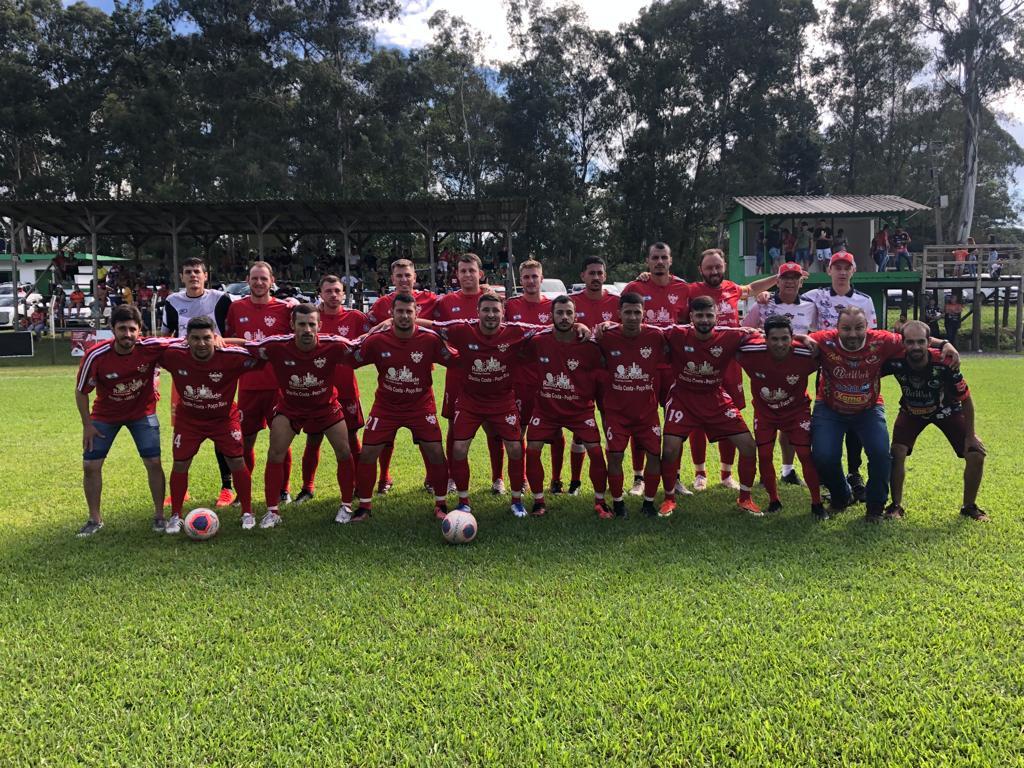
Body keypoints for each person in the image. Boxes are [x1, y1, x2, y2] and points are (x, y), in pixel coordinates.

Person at [808, 306, 958, 521]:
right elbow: (793, 340)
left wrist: (944, 344)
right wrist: (805, 341)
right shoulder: (824, 339)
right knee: (823, 456)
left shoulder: (882, 340)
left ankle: (875, 505)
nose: (852, 334)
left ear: (867, 328)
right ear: (837, 328)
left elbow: (914, 337)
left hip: (868, 409)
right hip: (830, 408)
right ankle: (841, 495)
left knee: (880, 455)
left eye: (858, 328)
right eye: (846, 328)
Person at [244, 303, 356, 527]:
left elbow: (363, 347)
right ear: (292, 325)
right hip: (290, 407)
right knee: (275, 453)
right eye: (302, 324)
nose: (307, 329)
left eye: (311, 324)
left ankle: (346, 505)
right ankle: (272, 511)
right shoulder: (276, 346)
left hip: (325, 406)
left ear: (319, 326)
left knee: (344, 451)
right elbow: (246, 347)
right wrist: (217, 340)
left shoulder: (335, 345)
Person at [350, 294, 456, 522]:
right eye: (400, 311)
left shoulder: (430, 339)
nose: (405, 316)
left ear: (417, 313)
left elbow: (455, 360)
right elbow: (352, 356)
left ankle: (441, 504)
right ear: (391, 313)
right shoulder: (377, 340)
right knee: (368, 452)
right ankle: (365, 507)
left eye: (409, 312)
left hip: (420, 406)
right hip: (386, 407)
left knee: (435, 452)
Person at [682, 248, 777, 493]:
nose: (714, 271)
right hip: (701, 362)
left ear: (723, 266)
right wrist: (646, 276)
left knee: (730, 416)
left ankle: (726, 474)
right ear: (700, 270)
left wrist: (777, 278)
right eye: (709, 267)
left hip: (730, 364)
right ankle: (700, 473)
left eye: (717, 266)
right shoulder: (691, 291)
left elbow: (752, 288)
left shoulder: (732, 288)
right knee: (697, 420)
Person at [658, 295, 761, 517]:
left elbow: (759, 337)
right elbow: (644, 329)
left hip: (715, 398)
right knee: (668, 450)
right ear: (692, 317)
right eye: (700, 315)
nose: (704, 320)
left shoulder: (731, 336)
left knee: (748, 447)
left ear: (716, 316)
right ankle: (668, 499)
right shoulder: (677, 333)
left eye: (709, 315)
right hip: (683, 398)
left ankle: (745, 498)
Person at [432, 293, 534, 517]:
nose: (491, 314)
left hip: (503, 401)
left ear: (503, 313)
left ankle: (516, 501)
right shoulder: (463, 330)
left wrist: (580, 327)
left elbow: (546, 329)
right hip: (470, 401)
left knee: (516, 448)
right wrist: (392, 321)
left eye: (495, 310)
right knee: (459, 449)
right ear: (477, 312)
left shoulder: (515, 331)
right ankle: (463, 501)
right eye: (486, 310)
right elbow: (434, 326)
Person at [157, 316, 261, 534]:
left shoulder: (233, 357)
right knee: (180, 464)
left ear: (215, 338)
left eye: (207, 338)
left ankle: (248, 512)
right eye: (195, 338)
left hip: (223, 419)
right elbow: (152, 348)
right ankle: (175, 515)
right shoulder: (174, 355)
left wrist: (230, 340)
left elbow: (260, 349)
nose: (201, 343)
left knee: (236, 460)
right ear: (187, 339)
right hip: (189, 420)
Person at [74, 305, 167, 536]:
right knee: (90, 466)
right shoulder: (95, 355)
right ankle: (94, 520)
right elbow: (81, 391)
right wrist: (87, 425)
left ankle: (159, 516)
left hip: (142, 413)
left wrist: (218, 339)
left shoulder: (151, 348)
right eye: (122, 328)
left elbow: (187, 344)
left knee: (154, 462)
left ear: (140, 330)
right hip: (105, 415)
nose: (127, 334)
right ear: (112, 329)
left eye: (132, 329)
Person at [883, 320, 987, 521]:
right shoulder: (894, 360)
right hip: (911, 412)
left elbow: (966, 399)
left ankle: (969, 506)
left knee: (975, 453)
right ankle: (895, 505)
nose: (916, 347)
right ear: (902, 342)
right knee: (896, 452)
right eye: (910, 342)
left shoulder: (945, 362)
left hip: (947, 411)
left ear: (928, 342)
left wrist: (971, 435)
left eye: (921, 342)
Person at [524, 296, 608, 518]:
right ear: (551, 315)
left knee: (597, 453)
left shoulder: (588, 344)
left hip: (580, 410)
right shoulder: (538, 340)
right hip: (546, 410)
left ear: (575, 315)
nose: (564, 317)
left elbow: (604, 366)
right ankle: (538, 501)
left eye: (568, 313)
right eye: (559, 312)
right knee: (532, 450)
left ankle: (600, 502)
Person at [162, 257, 237, 508]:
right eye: (188, 271)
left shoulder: (221, 300)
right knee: (183, 432)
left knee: (221, 432)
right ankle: (181, 490)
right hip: (184, 376)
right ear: (181, 277)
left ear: (206, 276)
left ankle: (227, 487)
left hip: (218, 376)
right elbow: (166, 338)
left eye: (197, 271)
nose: (193, 275)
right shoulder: (172, 302)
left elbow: (231, 336)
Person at [431, 253, 505, 493]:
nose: (467, 275)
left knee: (494, 428)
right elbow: (433, 332)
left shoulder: (494, 299)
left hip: (490, 373)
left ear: (480, 274)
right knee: (455, 426)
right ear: (456, 275)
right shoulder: (445, 303)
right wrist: (448, 353)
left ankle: (498, 478)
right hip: (458, 375)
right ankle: (452, 476)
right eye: (462, 271)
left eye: (471, 271)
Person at [296, 275, 370, 513]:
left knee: (350, 438)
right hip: (317, 390)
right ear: (320, 293)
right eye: (328, 291)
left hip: (347, 388)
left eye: (337, 291)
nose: (333, 295)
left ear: (344, 293)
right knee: (313, 438)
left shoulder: (356, 318)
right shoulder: (312, 319)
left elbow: (375, 332)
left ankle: (358, 484)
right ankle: (307, 486)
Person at [736, 316, 824, 517]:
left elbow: (830, 351)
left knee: (804, 455)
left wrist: (805, 338)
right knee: (765, 455)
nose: (780, 344)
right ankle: (774, 500)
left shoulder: (805, 354)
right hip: (765, 412)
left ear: (792, 338)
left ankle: (817, 504)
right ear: (765, 339)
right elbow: (727, 340)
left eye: (785, 338)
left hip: (796, 412)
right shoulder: (750, 352)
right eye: (774, 339)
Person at [366, 258, 440, 492]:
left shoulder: (431, 300)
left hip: (420, 375)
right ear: (392, 278)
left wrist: (485, 288)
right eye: (399, 276)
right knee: (386, 435)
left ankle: (431, 479)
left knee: (425, 435)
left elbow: (445, 321)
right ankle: (384, 478)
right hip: (390, 376)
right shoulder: (380, 305)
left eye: (408, 275)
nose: (404, 280)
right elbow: (366, 329)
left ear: (415, 277)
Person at [624, 243, 692, 495]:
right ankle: (639, 477)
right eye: (655, 258)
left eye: (664, 257)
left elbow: (688, 323)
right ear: (648, 262)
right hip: (644, 367)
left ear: (671, 261)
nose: (660, 261)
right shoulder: (635, 287)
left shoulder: (683, 288)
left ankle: (674, 476)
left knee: (676, 421)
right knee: (641, 419)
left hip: (673, 366)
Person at [225, 261, 295, 506]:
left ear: (271, 280)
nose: (259, 283)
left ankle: (283, 489)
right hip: (248, 385)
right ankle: (243, 491)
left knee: (281, 440)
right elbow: (230, 340)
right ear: (248, 280)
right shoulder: (236, 308)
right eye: (254, 278)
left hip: (277, 386)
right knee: (245, 441)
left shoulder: (285, 310)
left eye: (263, 278)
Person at [744, 261, 817, 486]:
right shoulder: (763, 304)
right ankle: (766, 473)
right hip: (767, 369)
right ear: (778, 280)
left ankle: (787, 470)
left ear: (801, 282)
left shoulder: (810, 306)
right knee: (767, 419)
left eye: (794, 278)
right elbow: (745, 331)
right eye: (785, 278)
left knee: (791, 419)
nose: (789, 282)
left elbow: (818, 332)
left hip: (796, 371)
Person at [594, 292, 666, 517]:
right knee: (615, 456)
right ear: (619, 314)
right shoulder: (606, 336)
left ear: (644, 314)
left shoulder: (657, 335)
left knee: (655, 455)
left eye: (637, 312)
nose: (633, 317)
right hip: (617, 412)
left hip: (647, 412)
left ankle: (648, 503)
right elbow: (584, 337)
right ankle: (618, 503)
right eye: (628, 312)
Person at [505, 260, 566, 493]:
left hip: (547, 380)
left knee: (555, 429)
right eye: (526, 277)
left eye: (535, 276)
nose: (531, 281)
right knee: (518, 430)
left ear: (542, 279)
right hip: (519, 379)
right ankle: (521, 478)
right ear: (521, 281)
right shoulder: (510, 306)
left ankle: (556, 479)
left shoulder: (553, 307)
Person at [566, 256, 622, 494]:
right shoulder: (571, 302)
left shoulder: (617, 302)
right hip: (580, 374)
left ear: (605, 276)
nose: (596, 277)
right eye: (592, 273)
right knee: (581, 431)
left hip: (610, 374)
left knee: (611, 428)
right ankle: (575, 482)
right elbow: (559, 325)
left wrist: (614, 326)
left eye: (600, 273)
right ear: (583, 276)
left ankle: (610, 481)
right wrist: (575, 326)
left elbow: (632, 327)